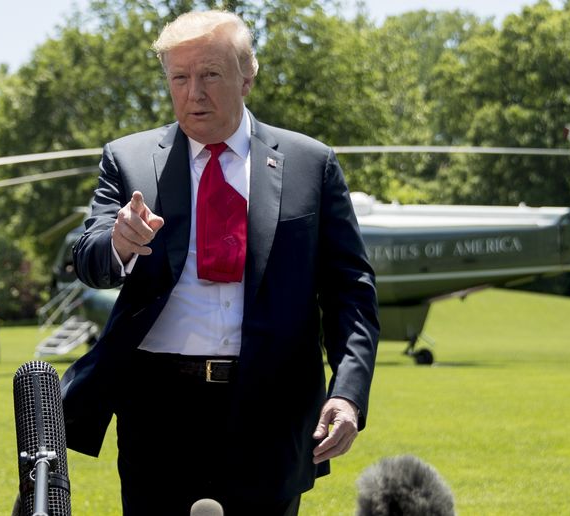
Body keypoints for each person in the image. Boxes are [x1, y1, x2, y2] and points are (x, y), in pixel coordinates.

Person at [60, 10, 379, 515]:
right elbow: (90, 258)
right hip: (157, 410)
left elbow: (351, 292)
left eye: (210, 74)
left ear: (247, 74)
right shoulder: (129, 159)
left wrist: (349, 392)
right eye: (179, 78)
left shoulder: (309, 164)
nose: (194, 93)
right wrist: (119, 242)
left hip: (271, 409)